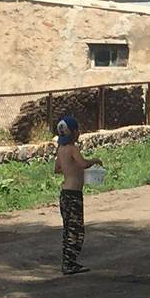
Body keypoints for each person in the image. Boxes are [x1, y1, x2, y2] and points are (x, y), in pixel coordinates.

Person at [53, 115, 102, 276]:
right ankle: (70, 264)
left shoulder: (61, 149)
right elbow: (83, 164)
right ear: (74, 132)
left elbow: (57, 169)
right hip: (73, 194)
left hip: (64, 193)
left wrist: (69, 169)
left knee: (68, 229)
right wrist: (95, 160)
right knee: (76, 230)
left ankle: (67, 261)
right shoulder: (73, 149)